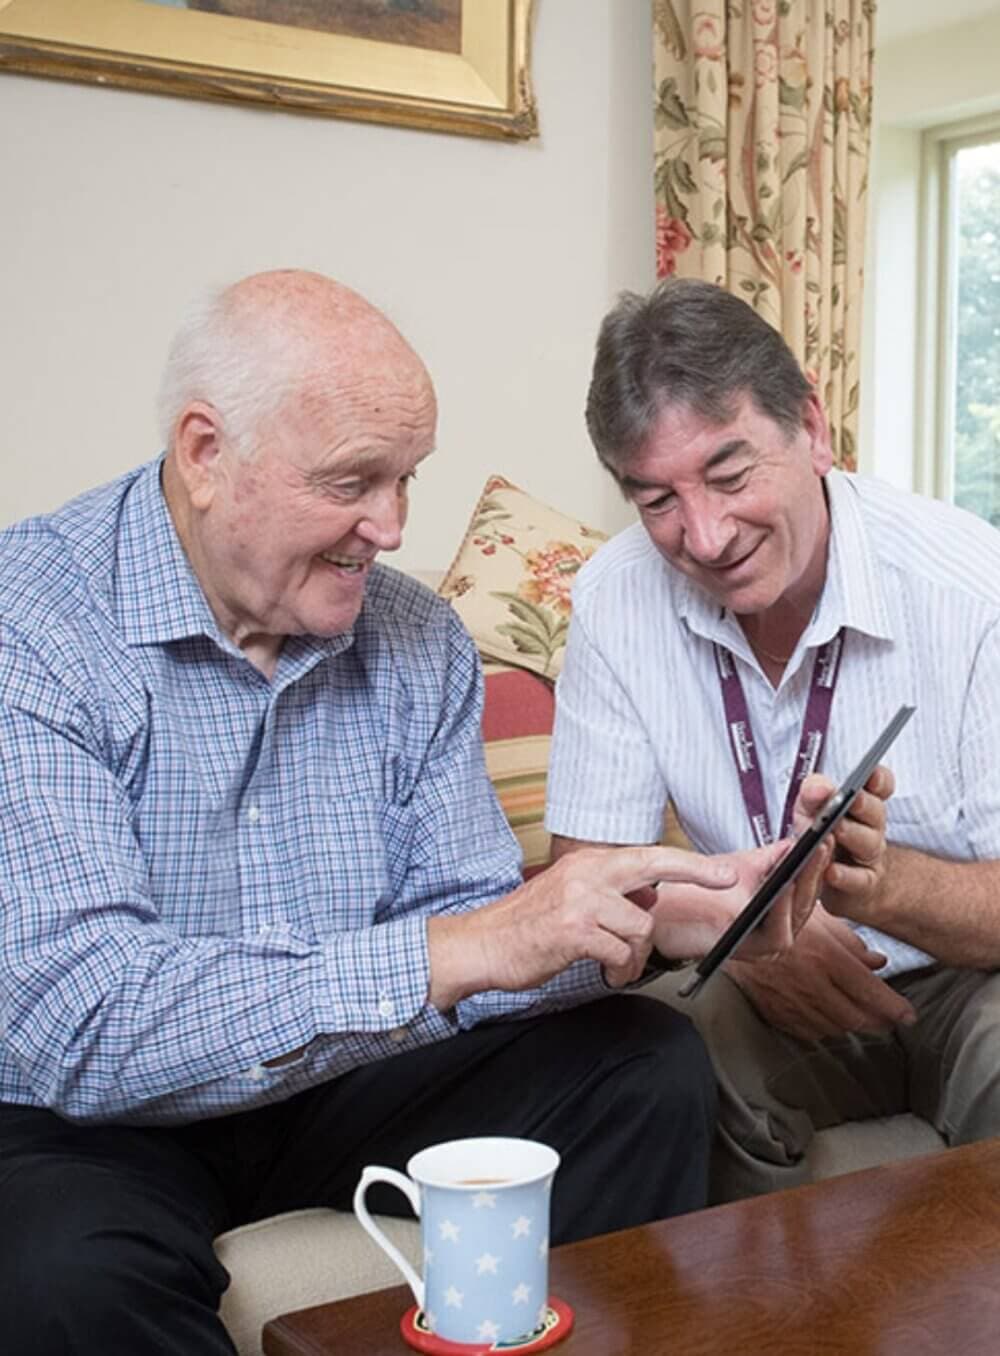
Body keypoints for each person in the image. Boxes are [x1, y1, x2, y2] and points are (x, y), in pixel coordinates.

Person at [0, 270, 823, 1354]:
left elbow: (479, 934)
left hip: (340, 1076)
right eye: (353, 481)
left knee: (642, 1065)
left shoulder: (412, 637)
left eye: (406, 480)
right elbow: (81, 1018)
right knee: (59, 1271)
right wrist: (463, 948)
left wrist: (651, 919)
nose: (388, 527)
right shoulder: (34, 626)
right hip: (89, 1118)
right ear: (206, 454)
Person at [546, 275, 1000, 1202]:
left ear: (813, 428)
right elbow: (586, 877)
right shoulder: (613, 597)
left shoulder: (973, 592)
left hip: (975, 979)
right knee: (632, 1065)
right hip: (754, 978)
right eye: (657, 500)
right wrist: (746, 934)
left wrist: (886, 887)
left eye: (729, 473)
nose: (705, 537)